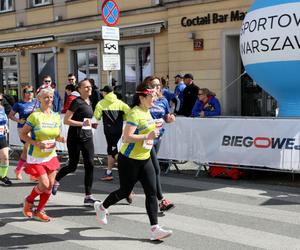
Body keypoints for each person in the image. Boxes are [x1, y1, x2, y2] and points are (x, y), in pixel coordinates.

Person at [94, 79, 173, 241]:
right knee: (124, 191)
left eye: (155, 96)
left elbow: (148, 132)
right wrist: (147, 135)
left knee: (151, 193)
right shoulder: (134, 112)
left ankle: (155, 229)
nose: (155, 99)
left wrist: (158, 130)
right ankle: (101, 207)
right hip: (129, 160)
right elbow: (127, 137)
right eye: (152, 96)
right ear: (142, 97)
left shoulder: (147, 111)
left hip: (144, 158)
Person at [20, 85, 64, 222]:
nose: (49, 99)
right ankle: (29, 201)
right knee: (44, 184)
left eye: (51, 97)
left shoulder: (56, 116)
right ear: (39, 99)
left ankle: (39, 210)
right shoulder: (35, 116)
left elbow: (56, 135)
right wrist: (35, 143)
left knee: (50, 185)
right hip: (36, 157)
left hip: (51, 155)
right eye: (46, 97)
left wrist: (60, 138)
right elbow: (23, 134)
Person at [52, 79, 97, 206]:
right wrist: (82, 123)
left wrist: (91, 124)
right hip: (75, 138)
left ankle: (88, 196)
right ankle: (56, 180)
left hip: (87, 137)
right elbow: (66, 120)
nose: (89, 89)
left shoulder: (89, 101)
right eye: (86, 87)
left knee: (90, 165)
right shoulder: (76, 102)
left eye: (90, 87)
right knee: (72, 165)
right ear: (80, 89)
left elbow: (85, 119)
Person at [147, 76, 176, 212]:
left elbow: (166, 116)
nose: (157, 87)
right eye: (154, 85)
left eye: (158, 85)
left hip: (158, 137)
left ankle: (126, 189)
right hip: (146, 138)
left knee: (145, 169)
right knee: (156, 168)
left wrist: (170, 118)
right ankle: (162, 200)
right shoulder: (144, 100)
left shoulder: (163, 100)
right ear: (148, 86)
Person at [94, 85, 130, 181]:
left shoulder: (101, 103)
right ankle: (111, 171)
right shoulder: (120, 103)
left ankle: (112, 171)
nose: (101, 93)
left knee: (112, 151)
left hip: (109, 131)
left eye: (103, 92)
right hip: (119, 130)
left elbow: (97, 116)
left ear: (105, 93)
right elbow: (129, 113)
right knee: (114, 150)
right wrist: (123, 118)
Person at [9, 84, 37, 180]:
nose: (30, 94)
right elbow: (11, 115)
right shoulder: (19, 104)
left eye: (32, 92)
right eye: (28, 92)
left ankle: (18, 170)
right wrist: (19, 120)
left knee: (26, 152)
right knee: (31, 150)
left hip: (34, 129)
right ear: (24, 94)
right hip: (23, 129)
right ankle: (32, 174)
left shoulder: (36, 103)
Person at [0, 93, 11, 186]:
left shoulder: (2, 109)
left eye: (0, 100)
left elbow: (5, 121)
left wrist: (6, 127)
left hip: (2, 137)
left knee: (5, 157)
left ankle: (2, 176)